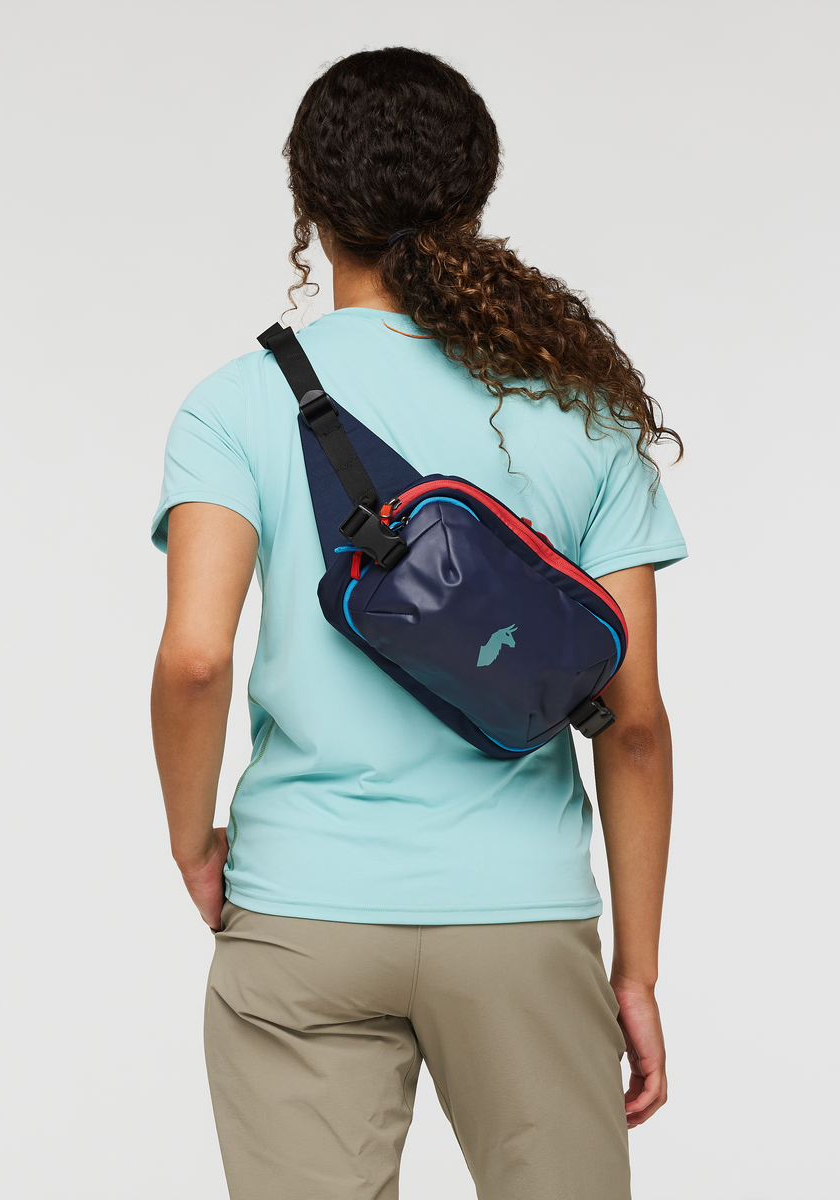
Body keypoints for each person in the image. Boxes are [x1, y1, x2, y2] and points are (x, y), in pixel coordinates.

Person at [150, 46, 687, 1200]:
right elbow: (632, 723)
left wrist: (196, 844)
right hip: (520, 912)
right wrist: (634, 972)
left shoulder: (236, 404)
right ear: (473, 198)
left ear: (307, 202)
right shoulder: (579, 410)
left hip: (303, 908)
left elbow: (194, 660)